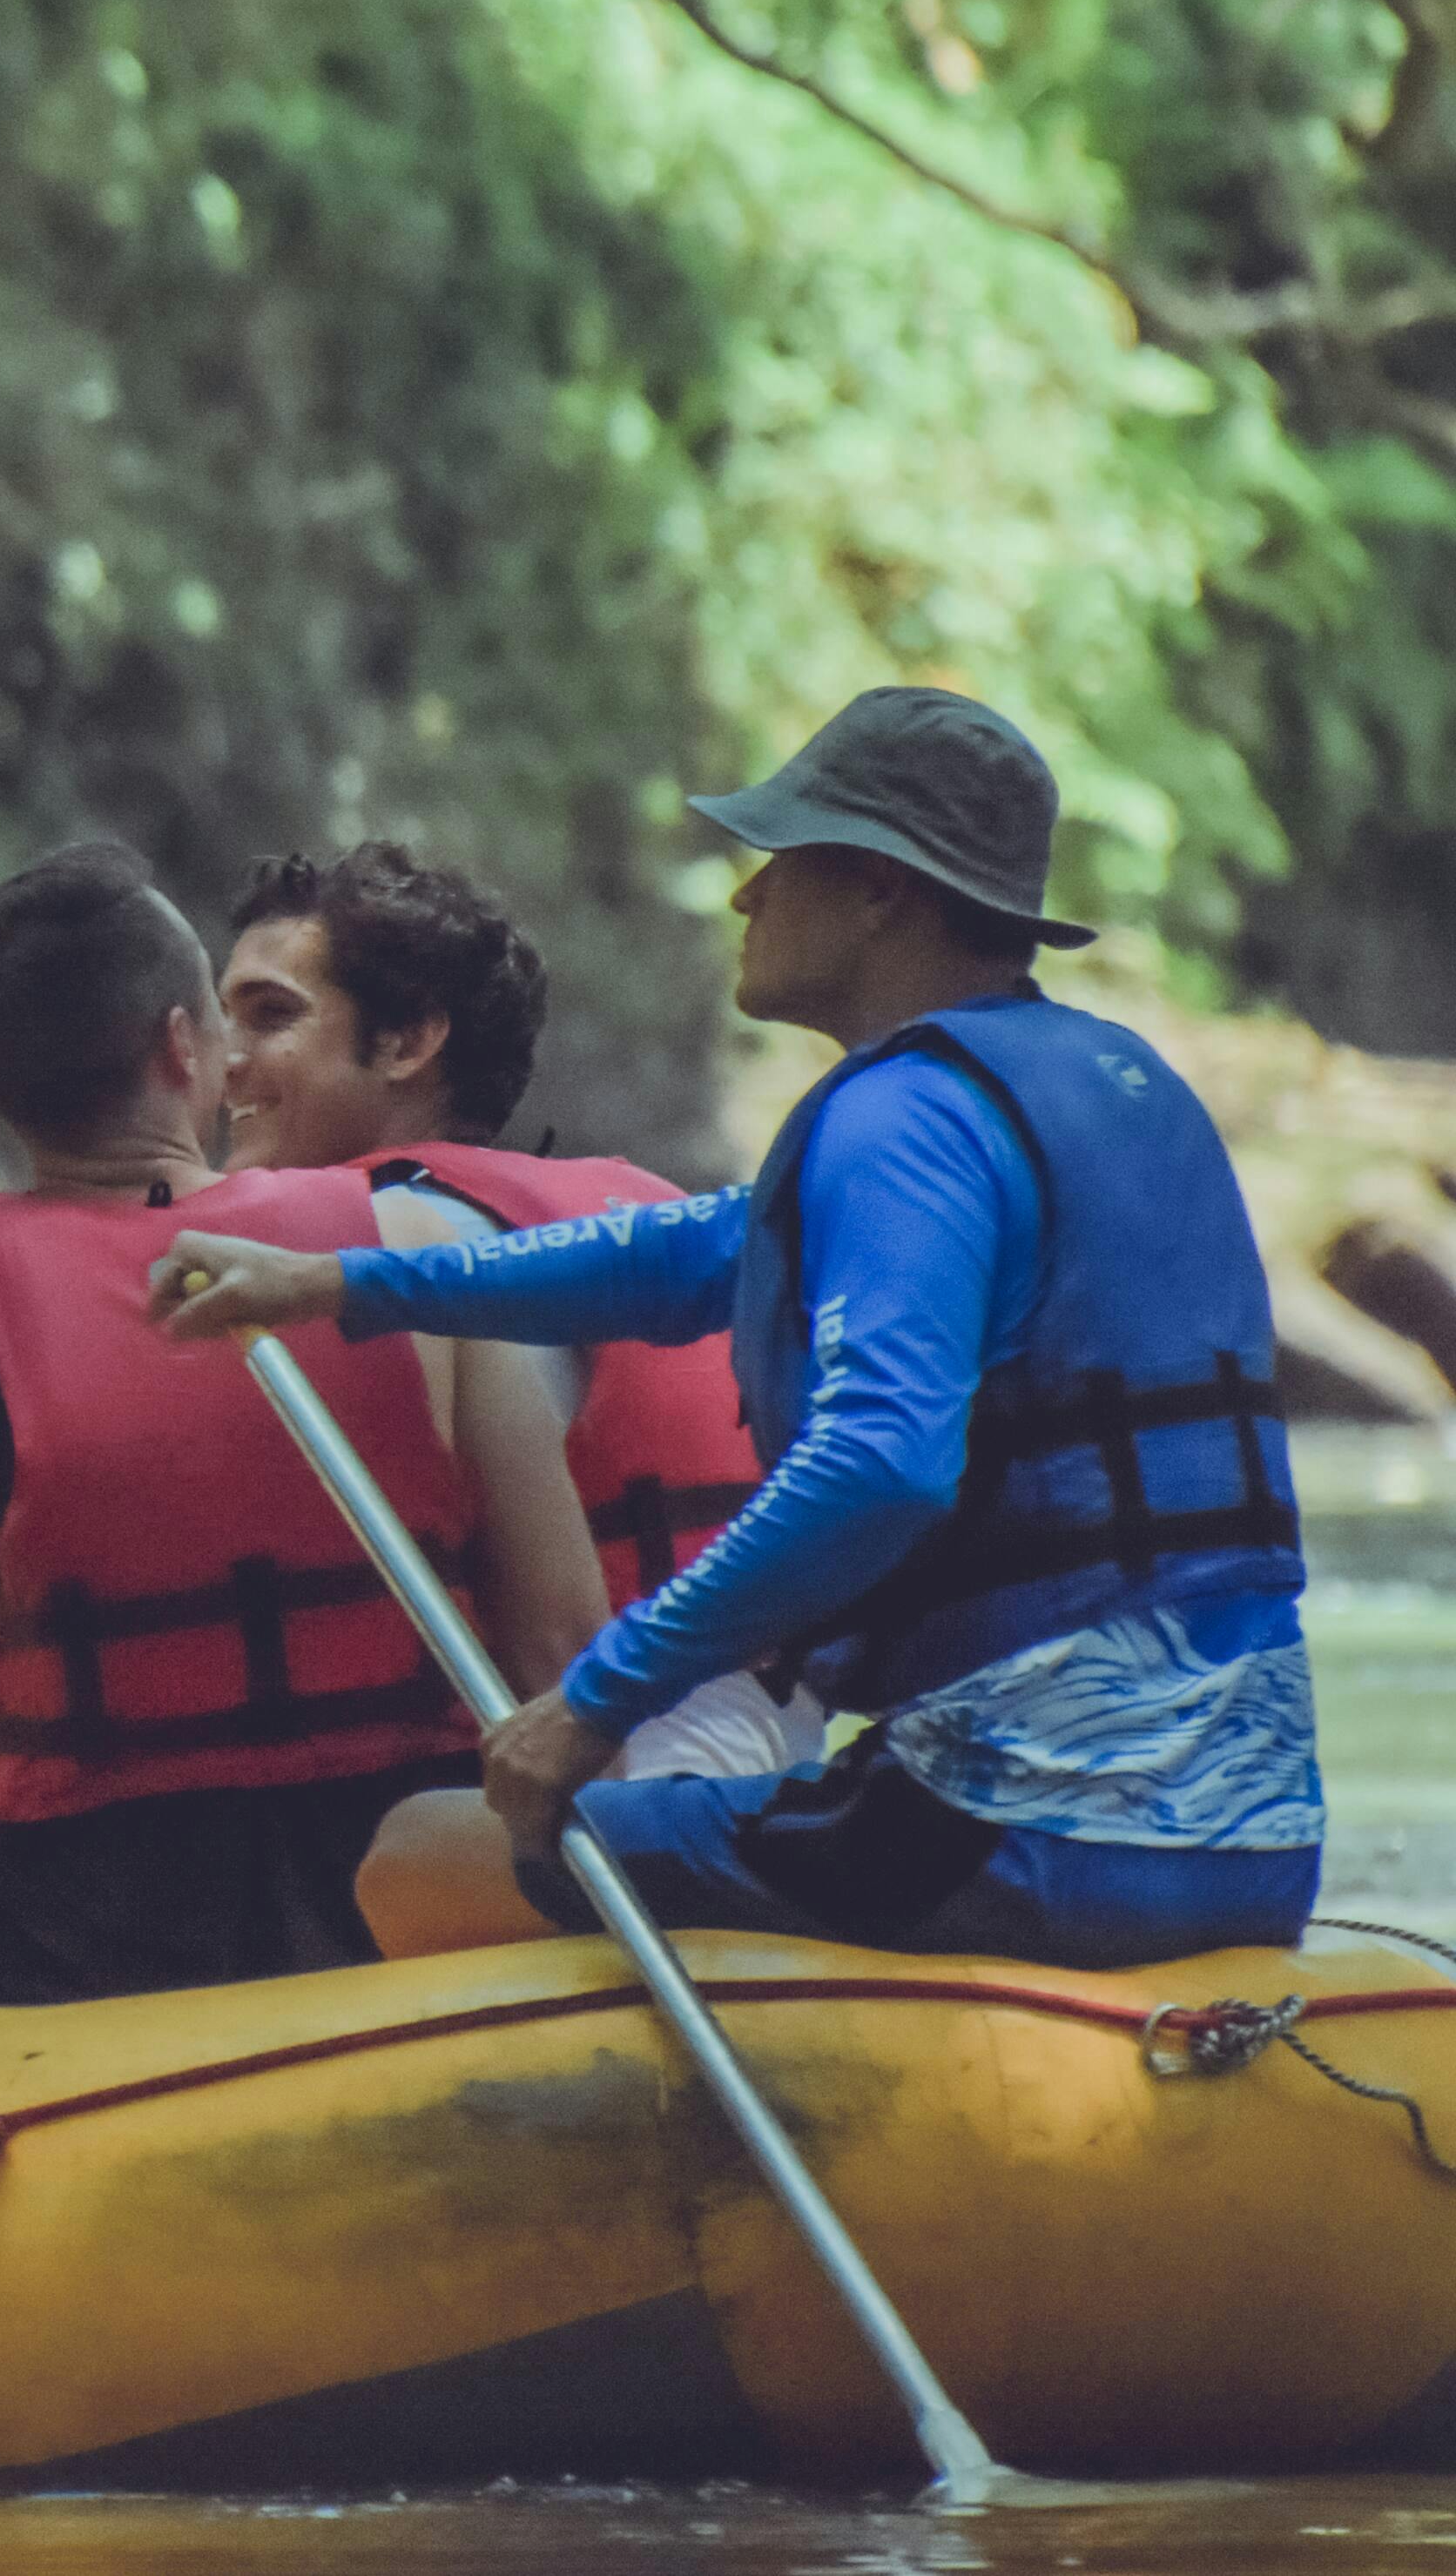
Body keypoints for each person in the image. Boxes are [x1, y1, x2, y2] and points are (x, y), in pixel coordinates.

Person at [153, 688, 1321, 1970]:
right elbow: (684, 1254)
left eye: (780, 861)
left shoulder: (904, 1117)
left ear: (880, 892)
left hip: (1026, 1825)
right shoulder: (1115, 1082)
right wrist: (339, 1286)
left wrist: (598, 1697)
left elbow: (883, 1463)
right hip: (1256, 1839)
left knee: (422, 1854)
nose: (743, 899)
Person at [0, 844, 606, 2005]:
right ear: (184, 1046)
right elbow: (561, 1652)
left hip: (65, 1947)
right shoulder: (424, 1253)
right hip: (392, 1900)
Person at [0, 842, 806, 1783]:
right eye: (217, 1019)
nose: (218, 1063)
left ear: (406, 1042)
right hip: (757, 1714)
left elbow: (104, 1343)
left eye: (269, 1017)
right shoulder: (594, 1197)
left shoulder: (404, 1236)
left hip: (636, 1748)